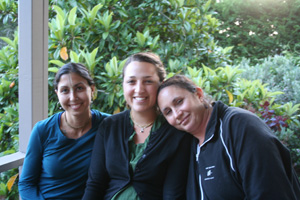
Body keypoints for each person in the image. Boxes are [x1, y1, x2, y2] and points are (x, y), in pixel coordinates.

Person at [157, 75, 300, 200]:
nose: (177, 114)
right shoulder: (190, 145)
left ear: (199, 95)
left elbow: (270, 193)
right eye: (168, 112)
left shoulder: (240, 126)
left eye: (179, 102)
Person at [82, 52, 192, 200]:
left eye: (148, 81)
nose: (139, 89)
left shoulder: (176, 132)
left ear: (161, 84)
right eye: (131, 82)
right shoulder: (109, 126)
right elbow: (95, 183)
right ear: (123, 85)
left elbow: (173, 194)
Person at [18, 62, 110, 200]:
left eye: (79, 88)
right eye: (65, 90)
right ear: (57, 94)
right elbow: (26, 184)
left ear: (92, 90)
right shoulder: (43, 130)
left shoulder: (109, 125)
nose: (73, 97)